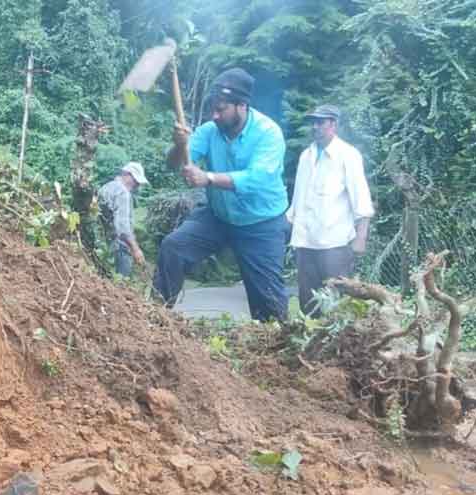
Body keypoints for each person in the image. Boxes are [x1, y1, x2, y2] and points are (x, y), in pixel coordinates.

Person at [153, 67, 289, 321]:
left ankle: (278, 350)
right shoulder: (209, 130)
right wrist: (179, 145)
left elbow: (256, 179)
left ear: (242, 105)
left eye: (221, 109)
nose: (214, 115)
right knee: (173, 247)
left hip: (261, 224)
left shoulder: (268, 134)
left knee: (268, 302)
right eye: (212, 108)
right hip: (219, 216)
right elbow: (172, 164)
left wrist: (209, 178)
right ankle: (154, 318)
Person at [287, 104, 375, 317]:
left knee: (335, 302)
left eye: (321, 122)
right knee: (308, 303)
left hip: (333, 242)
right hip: (305, 240)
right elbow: (298, 198)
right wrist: (290, 228)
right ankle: (310, 347)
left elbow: (361, 199)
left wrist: (360, 237)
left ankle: (336, 347)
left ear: (333, 125)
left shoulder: (348, 155)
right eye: (313, 123)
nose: (315, 127)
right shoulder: (306, 156)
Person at [98, 162, 149, 276]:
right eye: (135, 180)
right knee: (121, 283)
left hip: (103, 244)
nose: (137, 185)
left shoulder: (106, 187)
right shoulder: (123, 192)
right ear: (126, 174)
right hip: (118, 247)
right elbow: (122, 227)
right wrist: (135, 249)